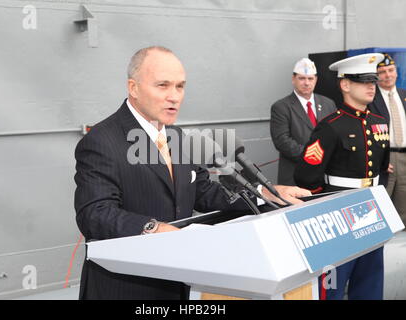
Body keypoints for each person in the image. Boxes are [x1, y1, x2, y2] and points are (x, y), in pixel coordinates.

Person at [74, 46, 311, 300]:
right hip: (126, 287)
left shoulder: (177, 137)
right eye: (163, 85)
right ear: (133, 88)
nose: (174, 96)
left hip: (177, 282)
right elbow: (94, 213)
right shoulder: (102, 140)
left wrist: (264, 193)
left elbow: (204, 191)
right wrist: (154, 229)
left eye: (180, 86)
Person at [294, 53, 389, 300]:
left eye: (373, 80)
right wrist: (326, 211)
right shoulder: (331, 126)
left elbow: (382, 171)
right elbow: (306, 177)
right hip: (338, 217)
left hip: (371, 213)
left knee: (370, 282)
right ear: (345, 84)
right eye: (363, 80)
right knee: (333, 287)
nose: (371, 86)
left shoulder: (380, 123)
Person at [270, 58, 336, 186]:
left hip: (325, 175)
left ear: (316, 80)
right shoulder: (281, 107)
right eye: (302, 78)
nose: (306, 83)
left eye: (310, 79)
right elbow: (282, 141)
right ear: (293, 79)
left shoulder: (328, 104)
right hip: (295, 175)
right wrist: (314, 156)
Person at [369, 53, 406, 226]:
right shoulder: (370, 99)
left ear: (396, 72)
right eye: (382, 72)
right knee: (382, 200)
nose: (387, 75)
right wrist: (377, 158)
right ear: (376, 76)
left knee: (404, 201)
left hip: (404, 155)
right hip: (385, 158)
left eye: (390, 70)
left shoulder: (403, 94)